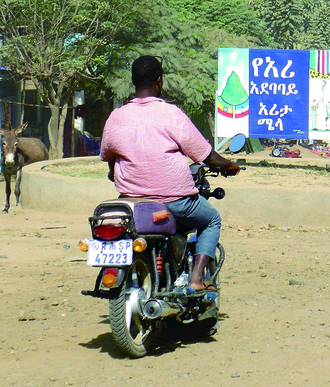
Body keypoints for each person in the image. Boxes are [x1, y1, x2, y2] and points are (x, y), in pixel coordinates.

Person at [100, 55, 240, 293]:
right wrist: (229, 165)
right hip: (175, 201)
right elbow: (206, 155)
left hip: (132, 203)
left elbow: (109, 159)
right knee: (212, 219)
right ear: (159, 81)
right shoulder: (171, 114)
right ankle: (196, 279)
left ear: (133, 81)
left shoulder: (116, 117)